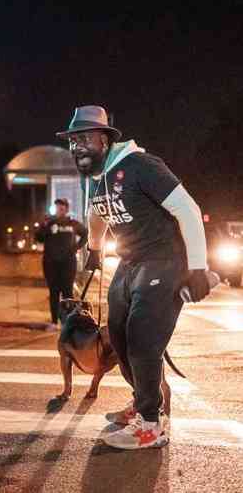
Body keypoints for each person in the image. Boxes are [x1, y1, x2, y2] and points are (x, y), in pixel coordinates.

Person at [59, 105, 210, 450]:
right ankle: (143, 402)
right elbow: (96, 212)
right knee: (119, 336)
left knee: (143, 340)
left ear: (104, 138)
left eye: (83, 138)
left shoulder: (141, 166)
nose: (77, 147)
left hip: (164, 262)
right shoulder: (100, 180)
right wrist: (95, 248)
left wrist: (198, 267)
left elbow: (187, 209)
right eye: (72, 141)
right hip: (130, 264)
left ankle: (152, 425)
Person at [34, 198, 88, 325]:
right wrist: (43, 226)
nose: (60, 210)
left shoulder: (73, 223)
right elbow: (39, 238)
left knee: (67, 292)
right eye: (58, 207)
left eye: (62, 207)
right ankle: (54, 322)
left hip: (68, 263)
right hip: (50, 263)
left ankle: (67, 323)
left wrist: (76, 247)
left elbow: (85, 234)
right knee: (53, 292)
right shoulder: (49, 223)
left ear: (67, 209)